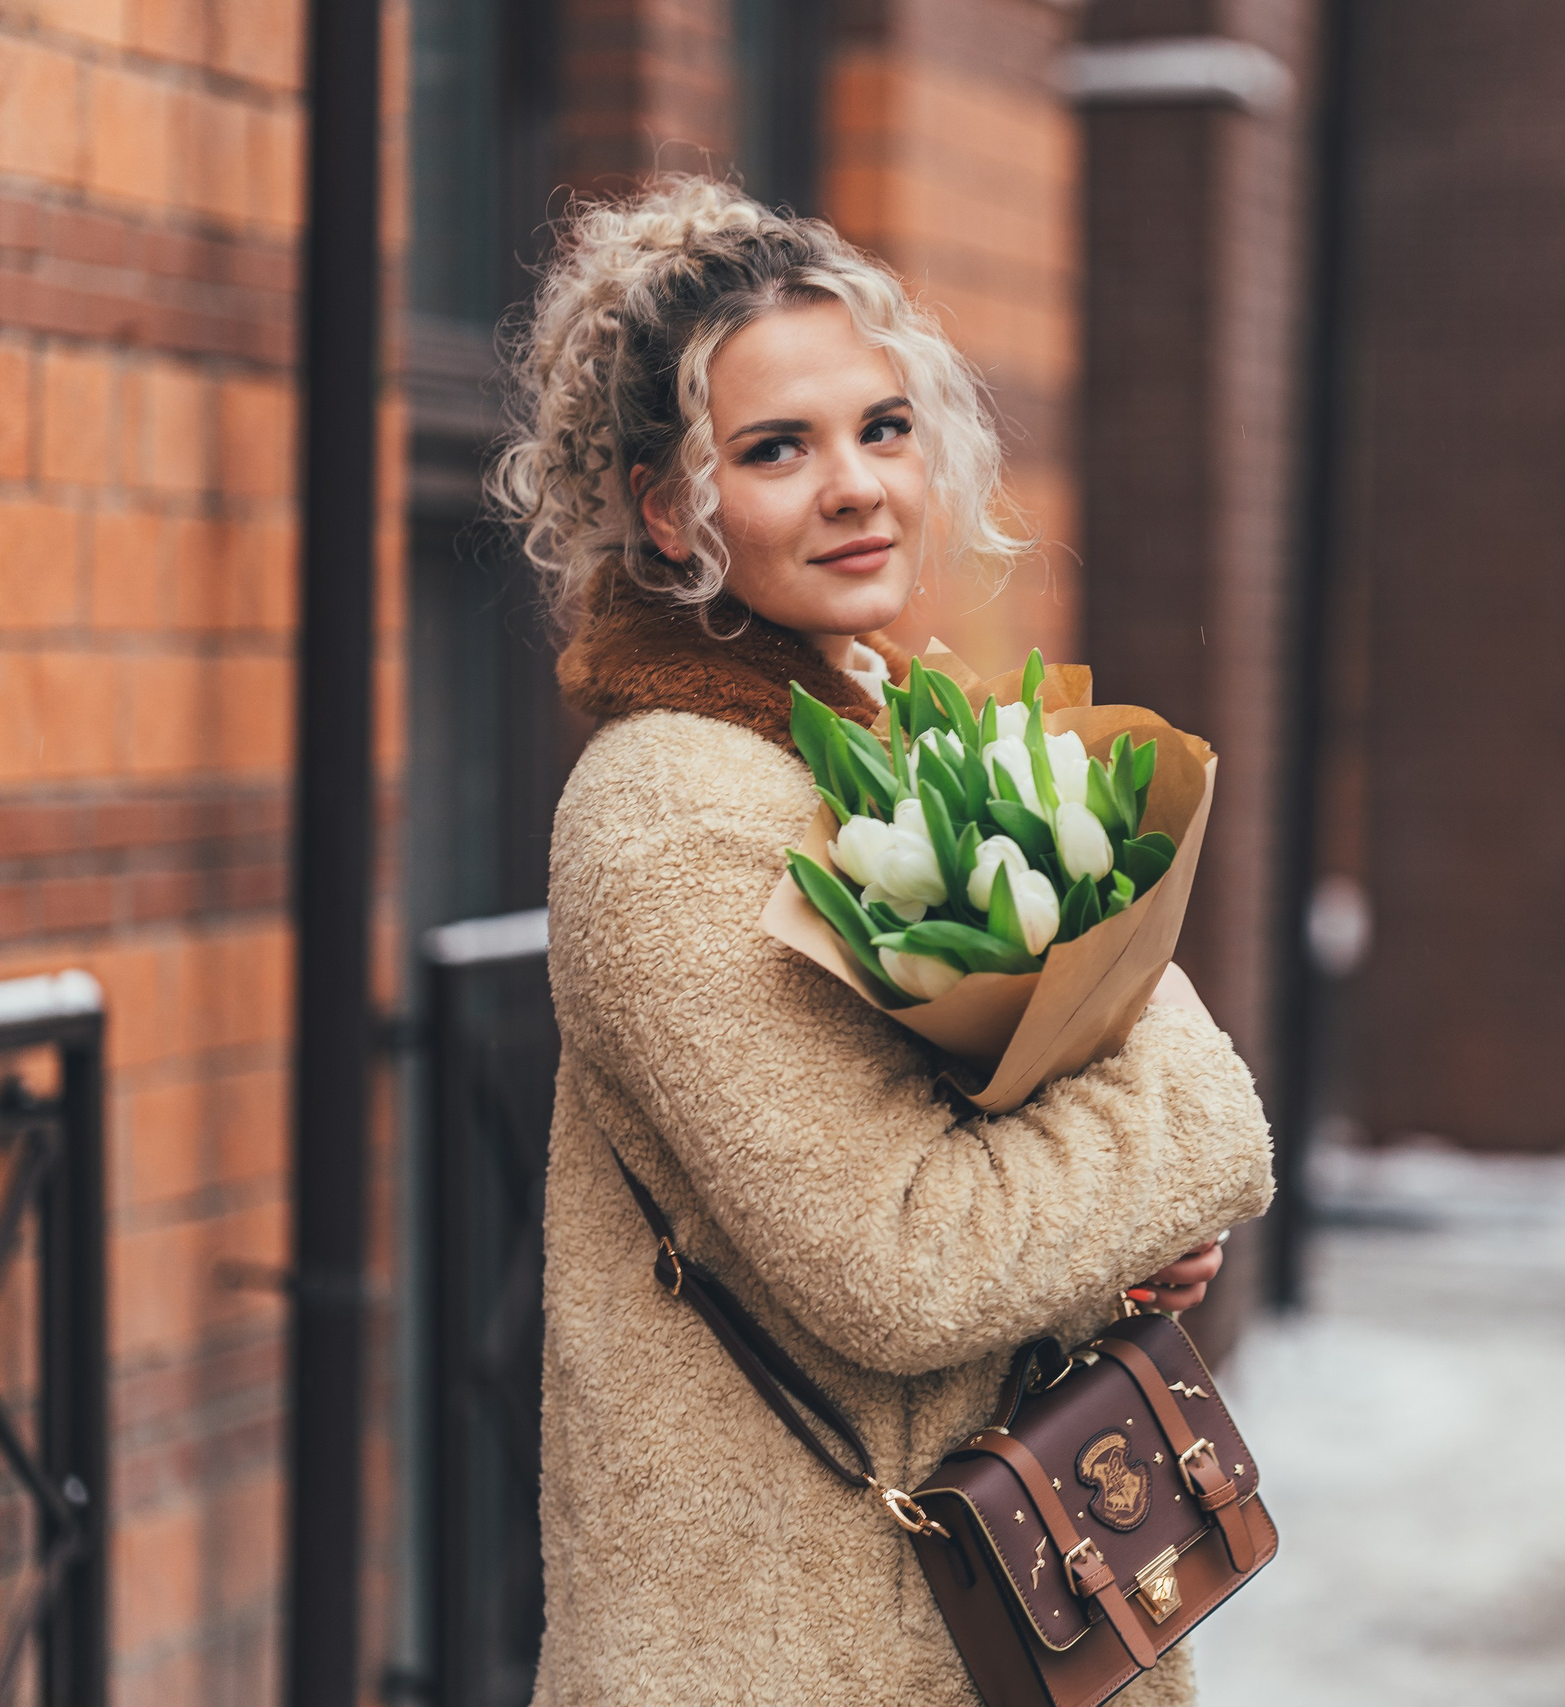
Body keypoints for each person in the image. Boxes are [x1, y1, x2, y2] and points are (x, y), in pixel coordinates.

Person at [488, 176, 1274, 1705]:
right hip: (793, 1647)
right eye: (776, 449)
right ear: (667, 506)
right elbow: (905, 1261)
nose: (855, 484)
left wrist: (1111, 1256)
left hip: (951, 1621)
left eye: (882, 427)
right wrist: (1163, 1151)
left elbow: (985, 1142)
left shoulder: (871, 736)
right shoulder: (674, 812)